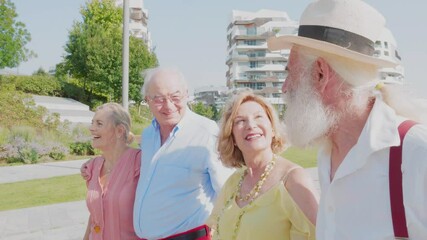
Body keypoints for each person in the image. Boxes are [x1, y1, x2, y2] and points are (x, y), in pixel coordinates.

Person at [267, 0, 427, 239]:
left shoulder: (415, 152)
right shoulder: (327, 154)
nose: (284, 87)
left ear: (321, 73)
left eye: (290, 73)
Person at [133, 67, 232, 239]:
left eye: (175, 97)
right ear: (147, 100)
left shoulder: (207, 133)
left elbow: (228, 191)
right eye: (158, 98)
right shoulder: (149, 135)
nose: (168, 105)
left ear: (186, 95)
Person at [207, 90, 318, 240]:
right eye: (240, 121)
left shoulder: (293, 179)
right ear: (232, 137)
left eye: (258, 117)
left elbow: (321, 233)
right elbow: (213, 229)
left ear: (272, 129)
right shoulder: (233, 182)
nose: (251, 125)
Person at [83, 103, 142, 240]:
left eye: (99, 124)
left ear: (119, 131)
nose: (91, 128)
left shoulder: (139, 162)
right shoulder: (93, 167)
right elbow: (95, 215)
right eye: (92, 123)